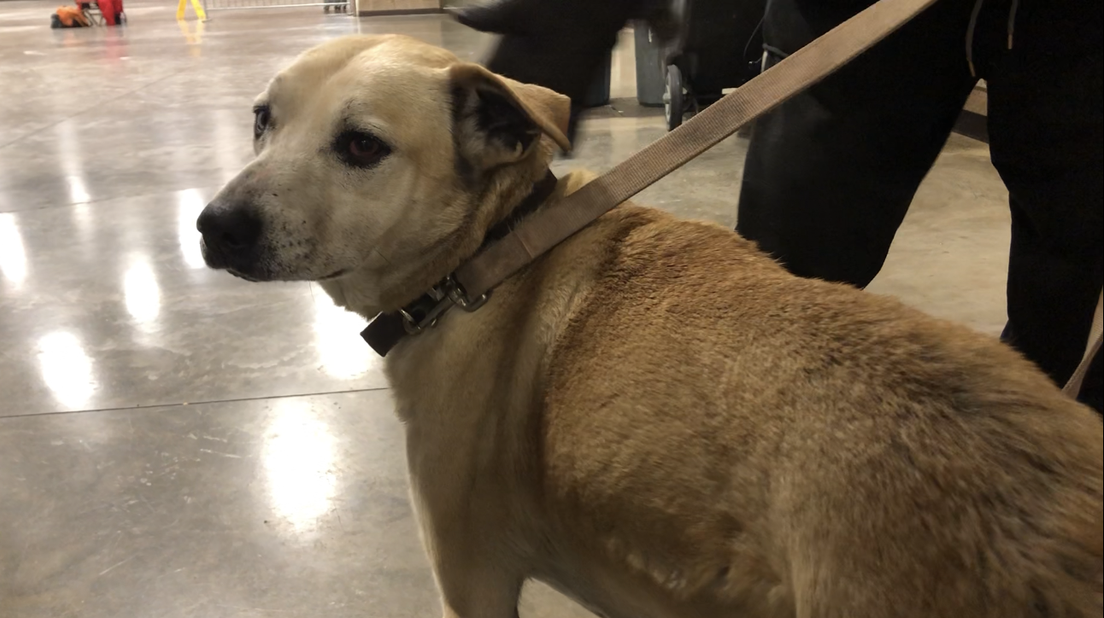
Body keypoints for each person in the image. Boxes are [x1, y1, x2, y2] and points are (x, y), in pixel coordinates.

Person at [452, 0, 1103, 414]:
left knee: (1072, 281)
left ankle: (1047, 477)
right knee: (777, 289)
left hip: (1075, 26)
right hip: (851, 13)